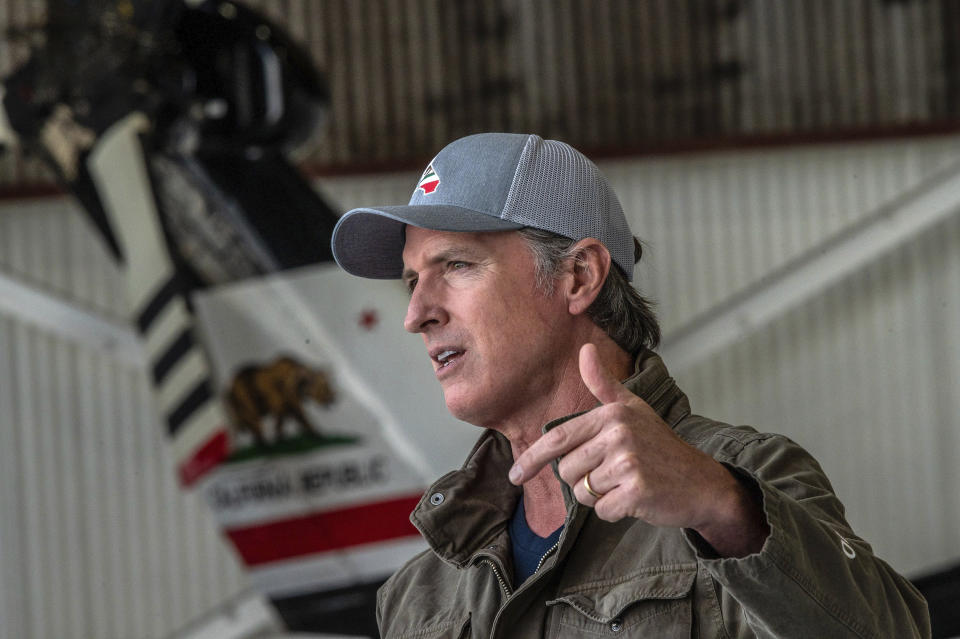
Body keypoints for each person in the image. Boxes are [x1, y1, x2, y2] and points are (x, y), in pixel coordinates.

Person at [331, 133, 930, 638]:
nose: (416, 314)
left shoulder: (746, 481)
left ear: (579, 275)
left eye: (457, 265)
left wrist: (724, 506)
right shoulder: (419, 591)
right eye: (412, 281)